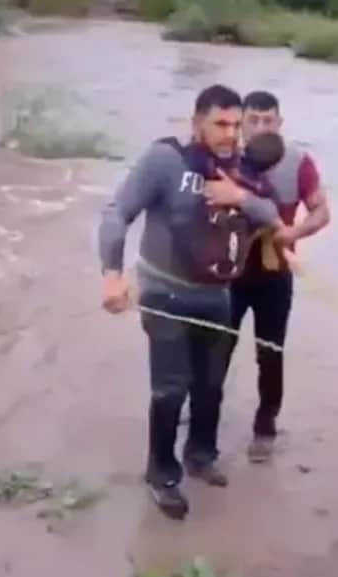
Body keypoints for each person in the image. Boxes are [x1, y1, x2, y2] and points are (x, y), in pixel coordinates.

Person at [98, 84, 283, 521]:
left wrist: (238, 197)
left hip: (218, 296)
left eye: (236, 125)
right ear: (196, 121)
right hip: (165, 293)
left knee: (211, 383)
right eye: (220, 123)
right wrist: (112, 274)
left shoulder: (242, 172)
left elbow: (273, 217)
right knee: (171, 387)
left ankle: (201, 454)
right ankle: (162, 474)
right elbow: (116, 213)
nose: (230, 134)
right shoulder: (165, 161)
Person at [225, 91, 331, 464]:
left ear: (280, 124)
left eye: (268, 121)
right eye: (252, 120)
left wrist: (294, 233)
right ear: (241, 124)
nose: (260, 128)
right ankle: (206, 416)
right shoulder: (225, 159)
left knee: (270, 353)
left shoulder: (298, 162)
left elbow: (321, 212)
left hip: (274, 274)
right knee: (215, 348)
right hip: (228, 274)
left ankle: (265, 427)